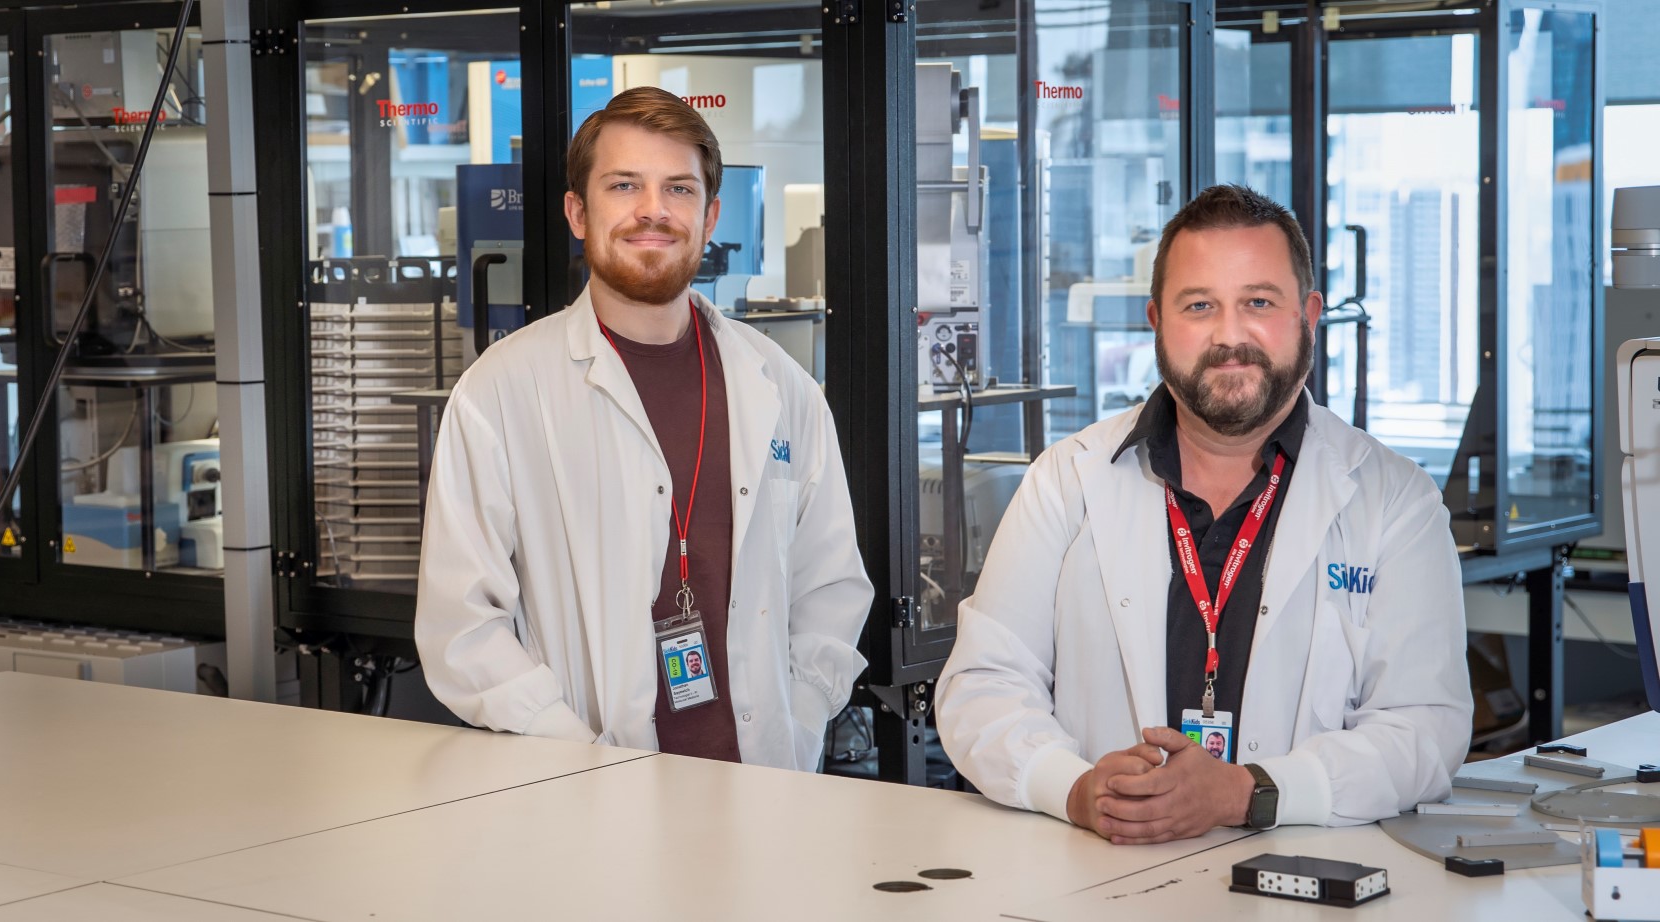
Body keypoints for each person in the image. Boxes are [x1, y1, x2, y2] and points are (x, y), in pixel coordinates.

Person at [936, 185, 1472, 844]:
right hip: (1101, 876)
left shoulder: (1394, 500)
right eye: (1199, 306)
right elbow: (984, 682)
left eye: (1258, 302)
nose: (1229, 336)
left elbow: (1426, 727)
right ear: (1156, 320)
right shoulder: (1067, 479)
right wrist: (1073, 788)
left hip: (1303, 881)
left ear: (1307, 314)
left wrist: (1248, 792)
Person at [416, 86, 872, 771]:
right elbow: (463, 629)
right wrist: (577, 760)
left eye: (679, 189)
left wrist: (799, 715)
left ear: (711, 215)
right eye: (624, 184)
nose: (652, 210)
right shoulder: (502, 392)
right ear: (578, 211)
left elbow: (830, 588)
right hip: (586, 801)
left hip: (766, 787)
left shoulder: (781, 388)